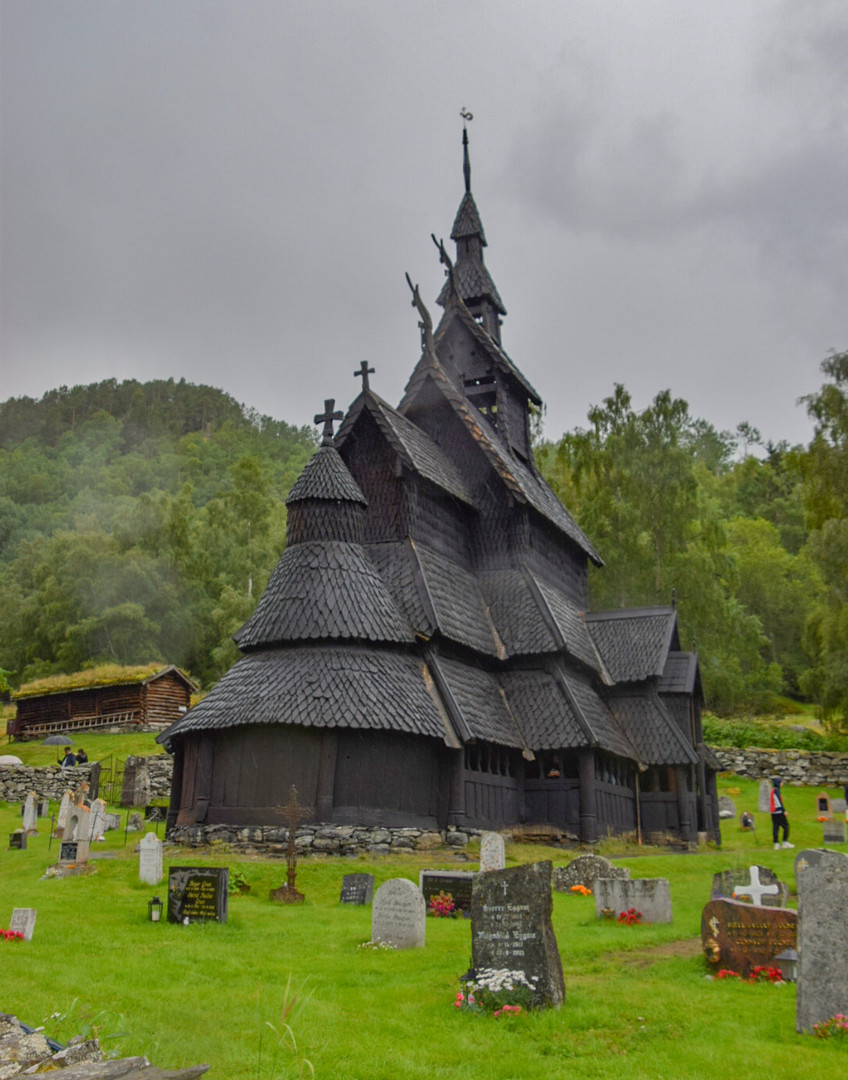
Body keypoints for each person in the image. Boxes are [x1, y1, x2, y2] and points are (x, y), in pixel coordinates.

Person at [769, 776, 793, 850]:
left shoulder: (773, 790)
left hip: (773, 812)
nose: (782, 784)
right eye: (781, 782)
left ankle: (776, 844)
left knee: (775, 827)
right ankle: (784, 842)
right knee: (786, 826)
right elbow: (779, 801)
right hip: (778, 811)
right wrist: (783, 811)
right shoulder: (776, 790)